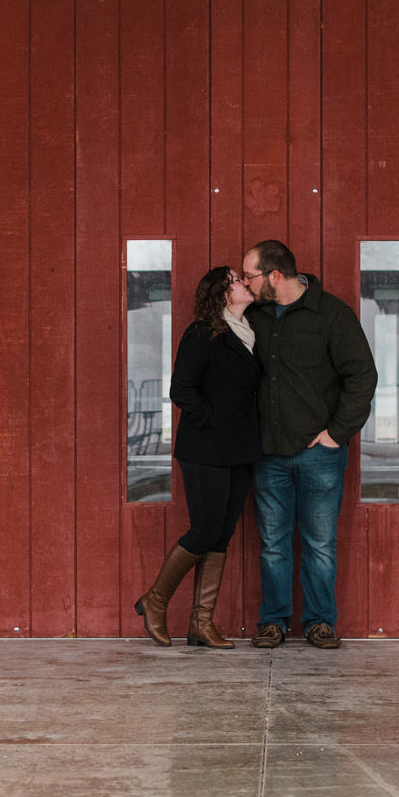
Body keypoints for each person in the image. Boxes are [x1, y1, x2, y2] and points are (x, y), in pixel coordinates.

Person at [241, 239, 377, 650]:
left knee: (320, 544)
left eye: (250, 276)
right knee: (272, 545)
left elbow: (362, 377)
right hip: (268, 453)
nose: (246, 284)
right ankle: (274, 623)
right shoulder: (255, 317)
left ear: (275, 276)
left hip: (320, 455)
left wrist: (336, 434)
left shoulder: (332, 315)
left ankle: (320, 622)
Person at [134, 266, 262, 648]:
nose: (245, 283)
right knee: (204, 530)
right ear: (223, 294)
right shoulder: (202, 333)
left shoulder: (251, 332)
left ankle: (200, 623)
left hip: (241, 449)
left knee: (221, 535)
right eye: (238, 280)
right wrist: (215, 423)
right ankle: (154, 600)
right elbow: (182, 390)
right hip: (206, 447)